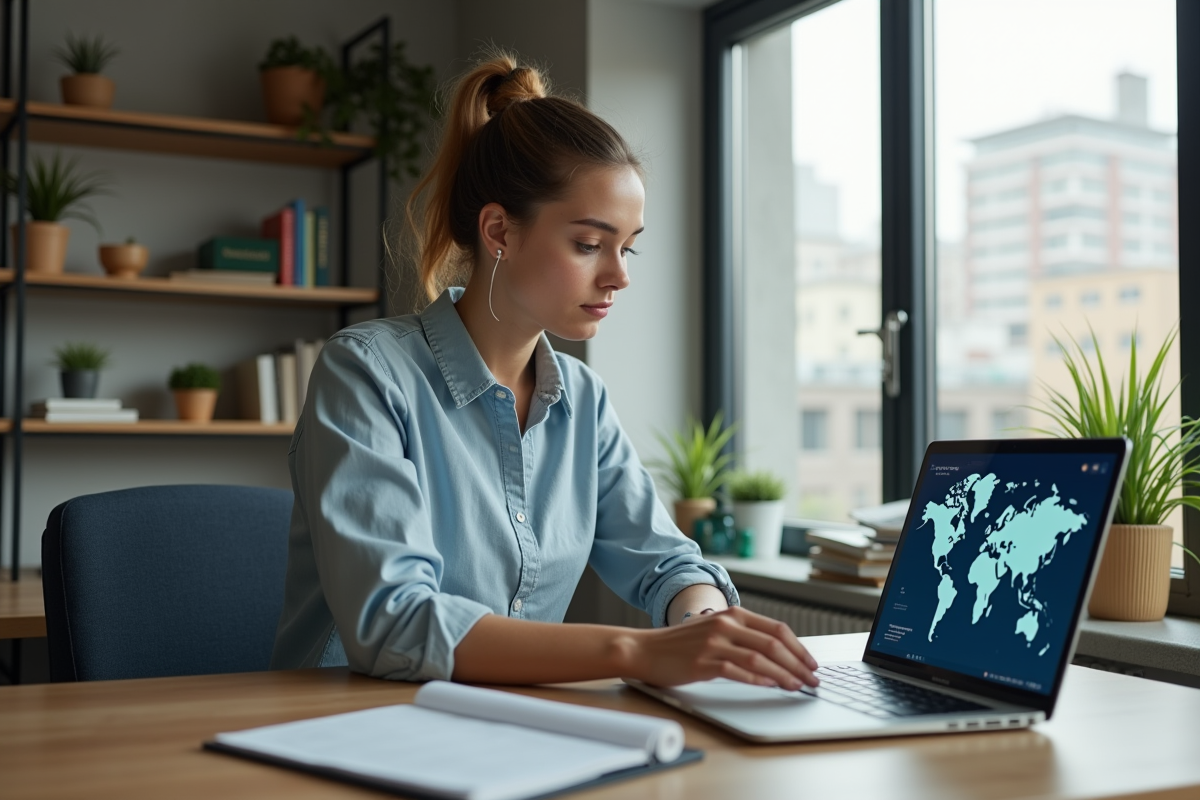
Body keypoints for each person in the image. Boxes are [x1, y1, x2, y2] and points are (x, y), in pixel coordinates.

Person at [271, 53, 819, 692]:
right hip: (340, 729)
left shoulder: (581, 400)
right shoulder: (366, 373)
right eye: (589, 245)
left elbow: (667, 562)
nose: (619, 275)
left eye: (628, 246)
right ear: (499, 230)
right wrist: (632, 653)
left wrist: (702, 624)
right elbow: (395, 624)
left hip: (512, 733)